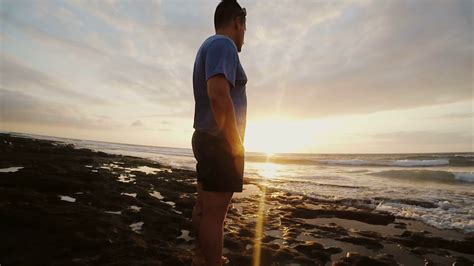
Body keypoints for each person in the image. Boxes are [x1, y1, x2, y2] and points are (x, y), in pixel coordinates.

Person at [191, 0, 247, 265]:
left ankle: (202, 257)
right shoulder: (223, 45)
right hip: (219, 142)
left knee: (204, 206)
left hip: (207, 137)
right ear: (238, 22)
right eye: (245, 28)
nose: (245, 36)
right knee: (215, 214)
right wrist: (236, 145)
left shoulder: (209, 46)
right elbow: (218, 95)